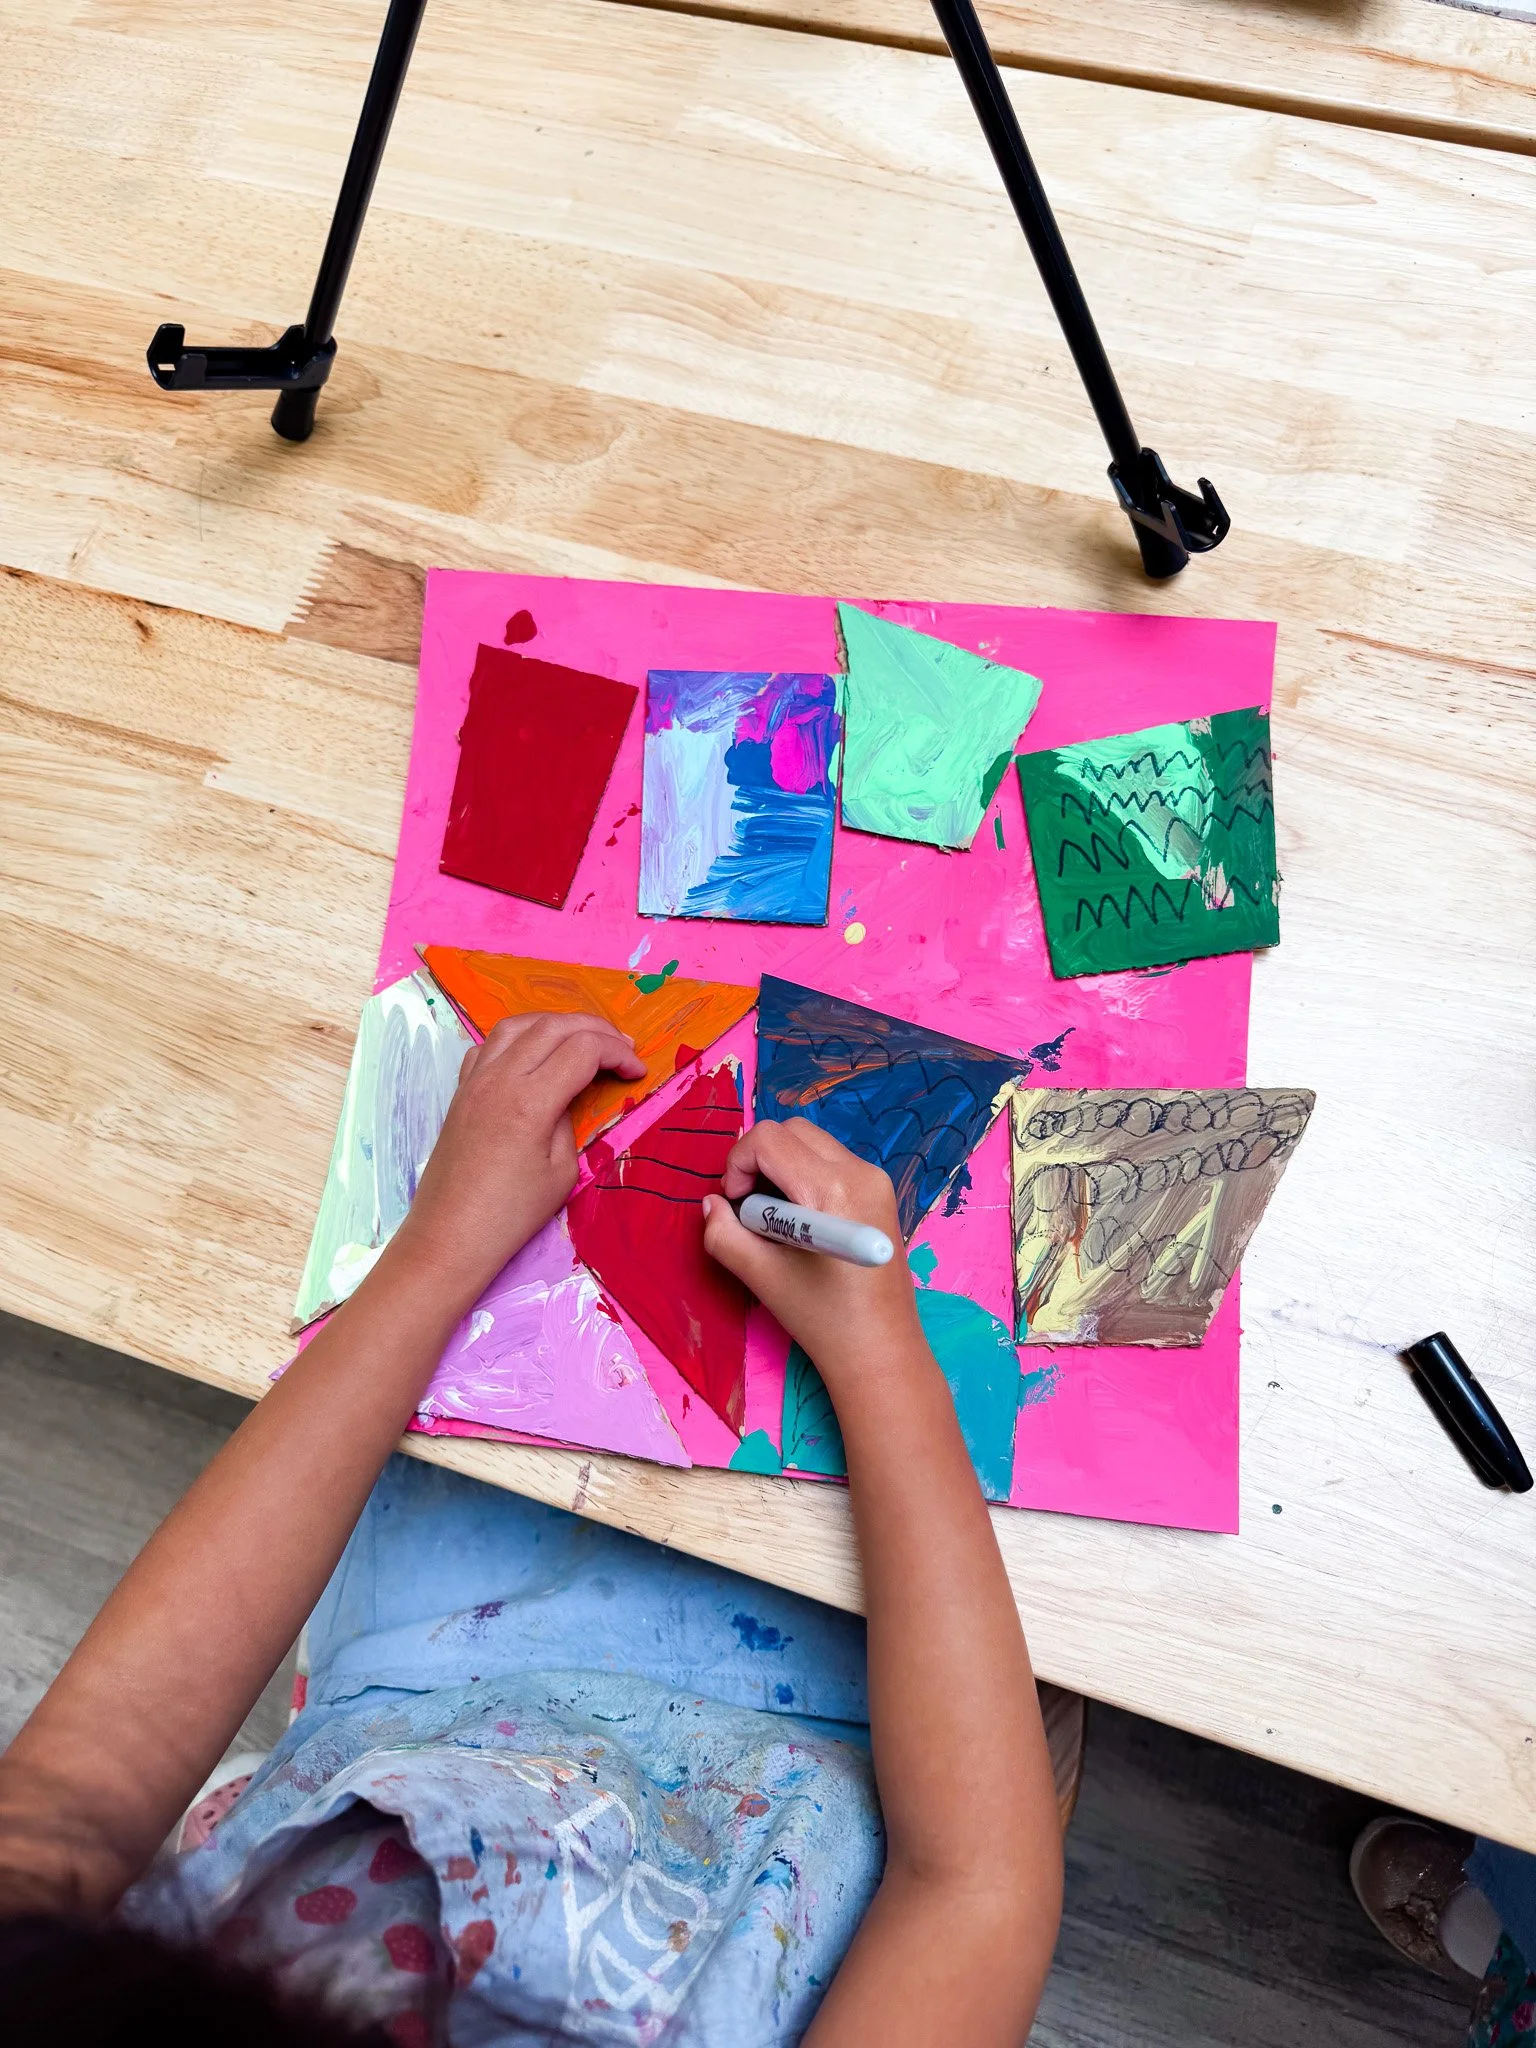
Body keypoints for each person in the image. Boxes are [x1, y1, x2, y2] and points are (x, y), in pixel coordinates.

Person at [0, 1009, 1064, 2045]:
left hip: (418, 1694)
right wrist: (879, 1353)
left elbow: (90, 1769)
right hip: (844, 1757)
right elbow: (974, 1888)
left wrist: (438, 1244)